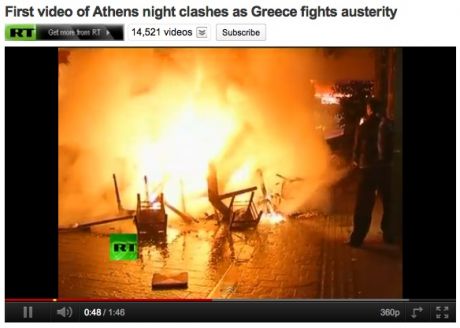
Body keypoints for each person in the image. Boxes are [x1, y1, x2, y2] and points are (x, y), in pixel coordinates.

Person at [348, 100, 395, 247]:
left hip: (368, 170)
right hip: (385, 169)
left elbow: (357, 149)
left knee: (363, 206)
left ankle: (357, 239)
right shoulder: (388, 125)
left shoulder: (364, 126)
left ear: (369, 109)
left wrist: (355, 161)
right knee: (389, 203)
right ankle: (389, 234)